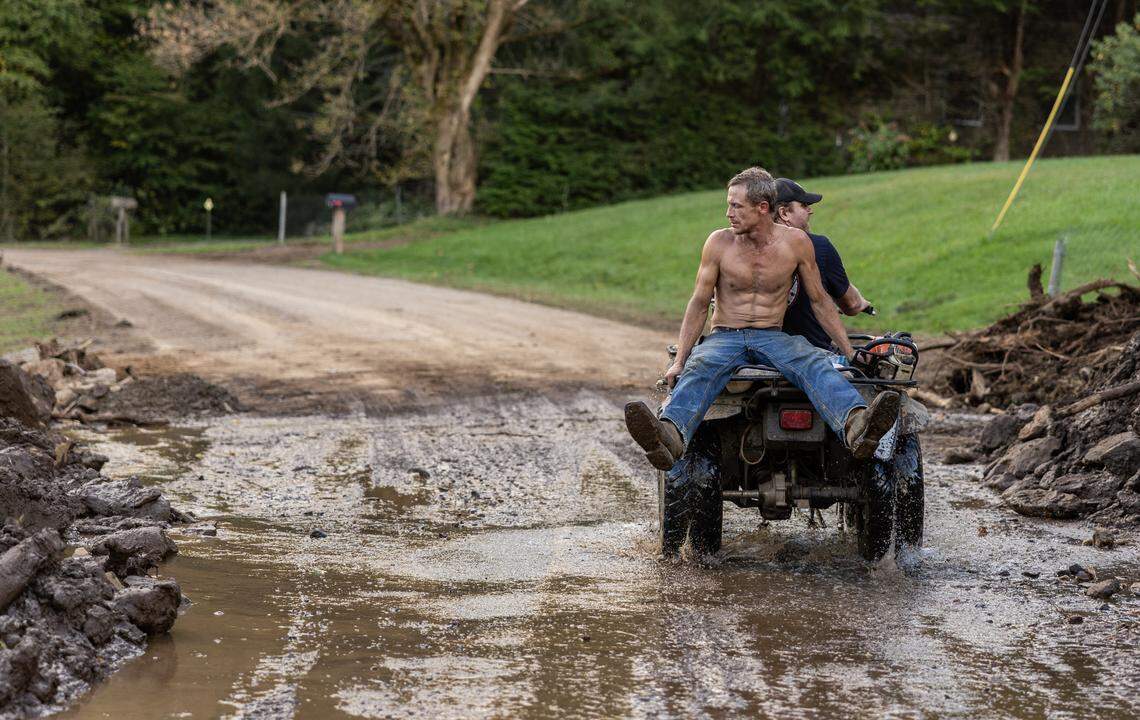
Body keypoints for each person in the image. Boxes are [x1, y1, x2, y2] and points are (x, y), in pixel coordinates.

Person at [624, 166, 899, 471]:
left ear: (763, 208)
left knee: (813, 362)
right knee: (700, 366)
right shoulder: (718, 243)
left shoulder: (795, 243)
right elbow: (699, 303)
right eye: (729, 204)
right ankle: (670, 437)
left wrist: (849, 353)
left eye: (736, 205)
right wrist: (680, 359)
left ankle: (856, 425)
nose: (729, 212)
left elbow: (821, 301)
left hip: (772, 335)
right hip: (726, 335)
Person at [773, 178, 870, 351]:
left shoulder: (746, 249)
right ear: (784, 213)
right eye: (803, 205)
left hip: (758, 349)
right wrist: (862, 302)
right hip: (810, 352)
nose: (810, 211)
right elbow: (851, 304)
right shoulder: (819, 246)